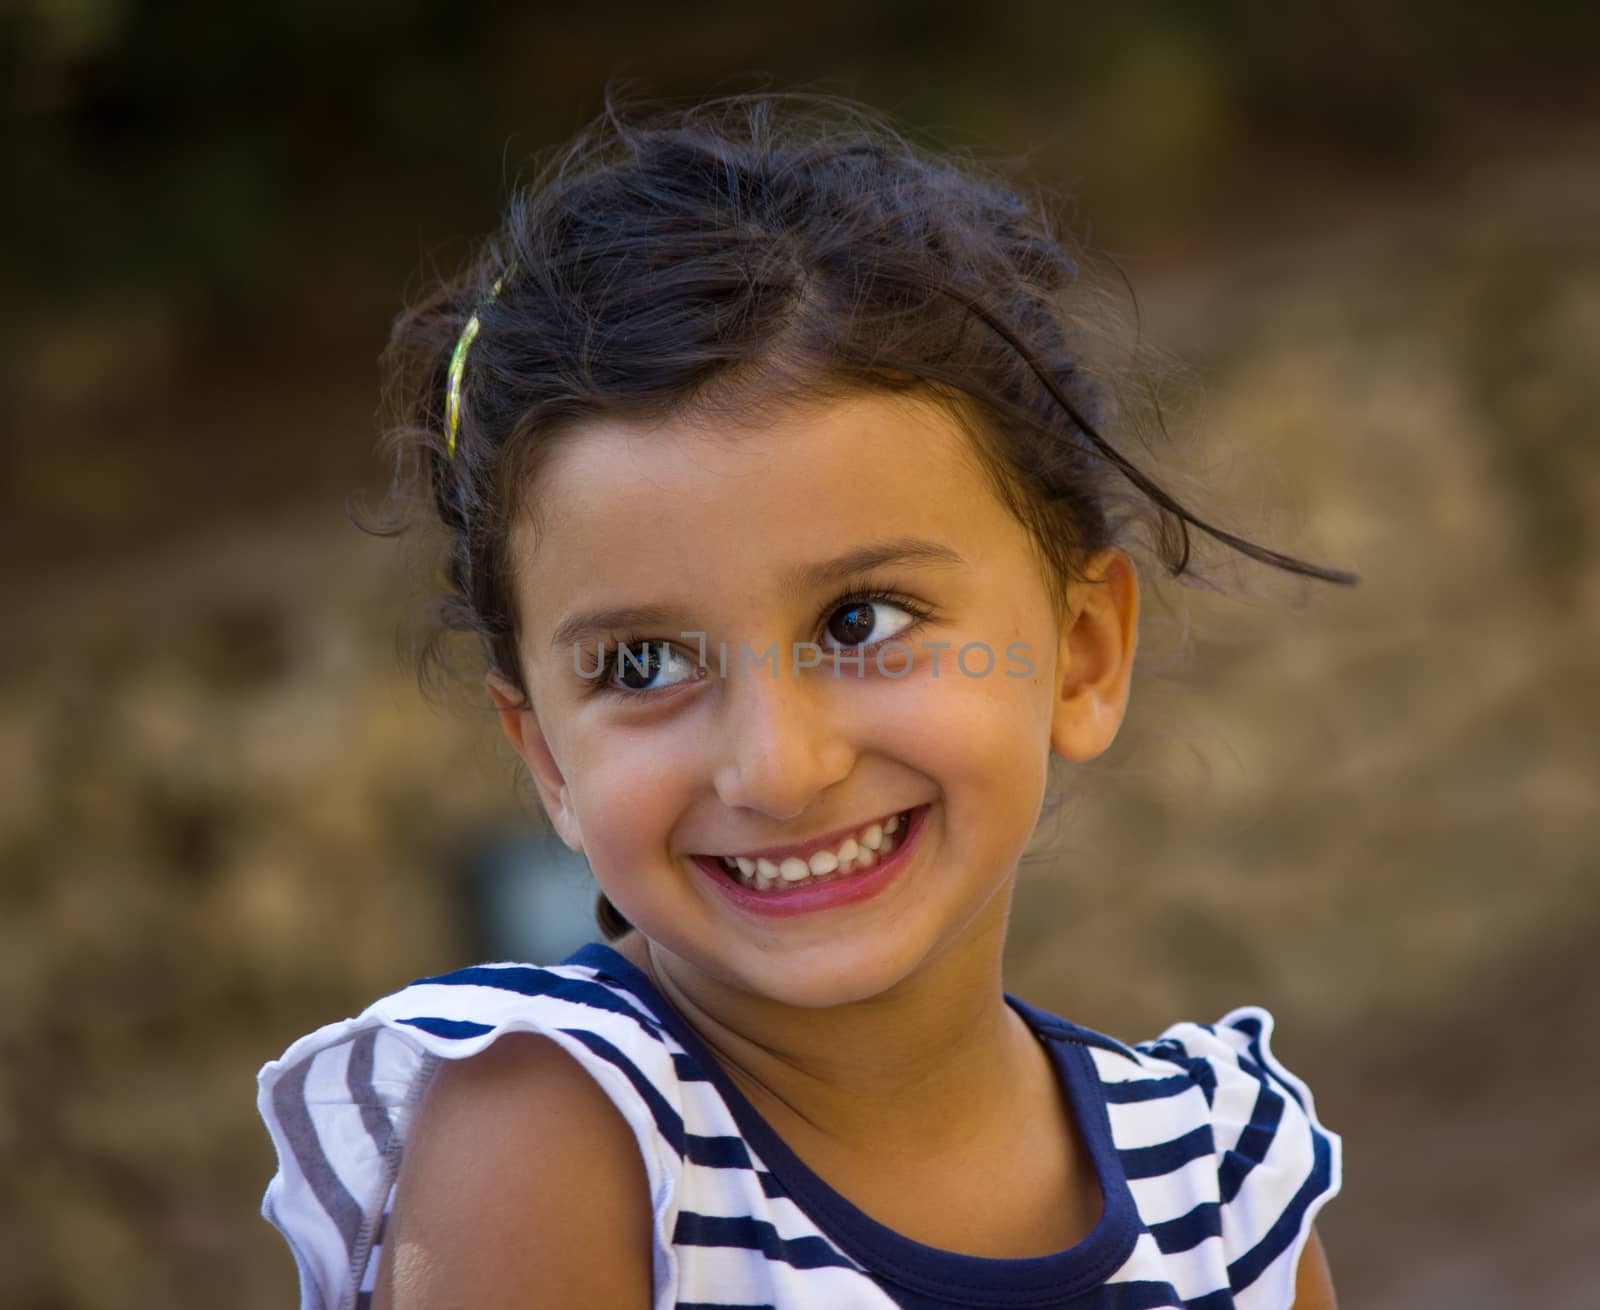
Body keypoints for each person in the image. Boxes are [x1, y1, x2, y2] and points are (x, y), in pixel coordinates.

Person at [257, 88, 1349, 1309]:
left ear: (1082, 652)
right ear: (549, 761)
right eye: (643, 665)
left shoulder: (1227, 1181)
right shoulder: (563, 1130)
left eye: (859, 622)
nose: (776, 766)